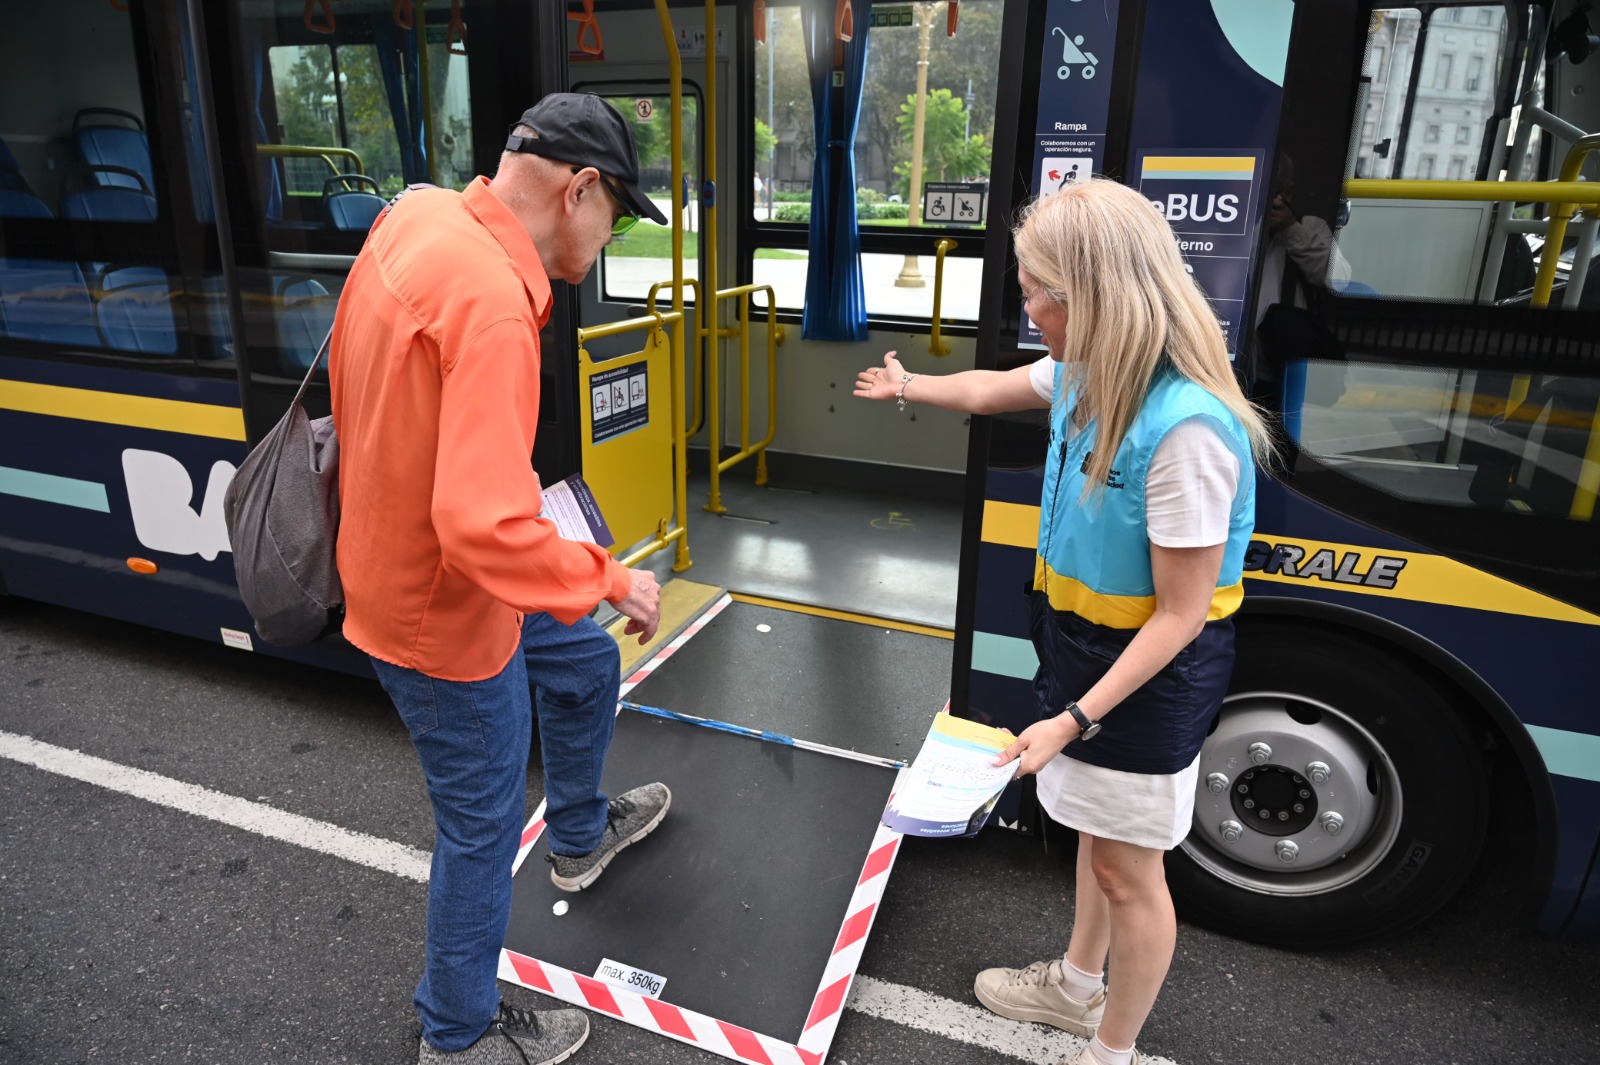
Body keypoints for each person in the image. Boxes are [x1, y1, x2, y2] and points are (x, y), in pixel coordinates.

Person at [854, 178, 1273, 1065]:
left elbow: (1183, 617)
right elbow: (994, 390)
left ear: (1096, 298)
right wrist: (909, 387)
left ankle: (1107, 1046)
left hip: (1146, 674)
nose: (1028, 307)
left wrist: (1077, 716)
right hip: (1082, 646)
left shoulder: (1186, 428)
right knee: (1098, 837)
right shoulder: (1089, 369)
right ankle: (1076, 989)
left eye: (1038, 290)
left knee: (1130, 869)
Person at [330, 92, 672, 1065]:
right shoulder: (492, 302)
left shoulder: (420, 215)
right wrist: (608, 577)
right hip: (443, 616)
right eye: (615, 220)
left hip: (407, 563)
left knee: (582, 667)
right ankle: (458, 1032)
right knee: (479, 832)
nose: (607, 243)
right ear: (580, 190)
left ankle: (578, 832)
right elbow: (478, 525)